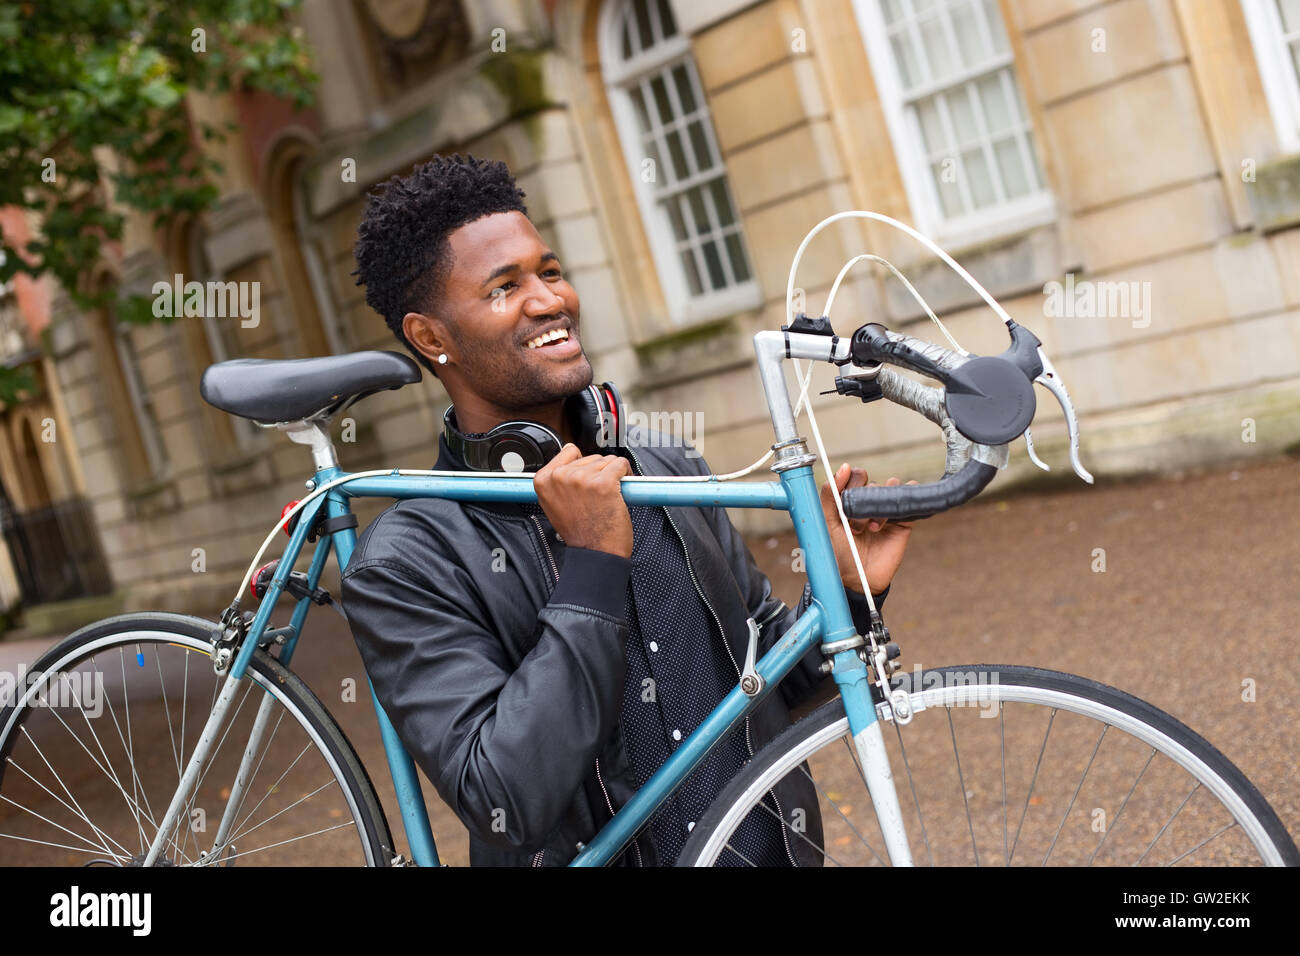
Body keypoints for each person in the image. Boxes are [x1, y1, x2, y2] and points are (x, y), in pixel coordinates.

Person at [342, 154, 916, 866]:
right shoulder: (406, 560)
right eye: (503, 287)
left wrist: (849, 589)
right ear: (432, 338)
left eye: (549, 272)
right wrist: (590, 569)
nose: (549, 300)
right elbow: (507, 799)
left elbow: (775, 684)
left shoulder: (667, 467)